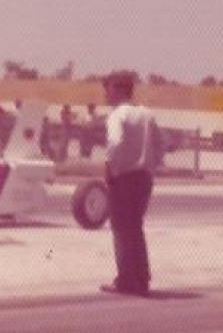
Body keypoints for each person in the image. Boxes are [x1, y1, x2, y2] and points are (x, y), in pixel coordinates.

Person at [101, 72, 164, 297]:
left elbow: (116, 143)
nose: (105, 95)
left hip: (123, 178)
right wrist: (151, 166)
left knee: (121, 229)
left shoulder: (117, 115)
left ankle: (126, 280)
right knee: (136, 227)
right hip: (144, 178)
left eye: (107, 89)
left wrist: (110, 166)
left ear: (118, 90)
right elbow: (160, 146)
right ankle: (141, 279)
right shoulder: (147, 114)